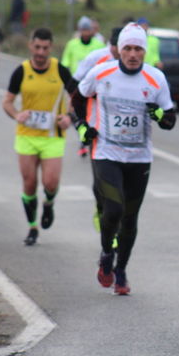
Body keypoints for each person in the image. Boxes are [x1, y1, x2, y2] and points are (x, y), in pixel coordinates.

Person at [73, 23, 176, 295]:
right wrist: (82, 125)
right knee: (113, 209)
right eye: (127, 48)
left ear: (144, 52)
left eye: (138, 49)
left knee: (130, 219)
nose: (132, 54)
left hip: (139, 158)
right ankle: (107, 253)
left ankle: (121, 271)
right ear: (119, 50)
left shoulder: (156, 79)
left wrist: (157, 115)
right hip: (106, 152)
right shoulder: (101, 73)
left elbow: (169, 119)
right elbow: (76, 99)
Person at [2, 28, 74, 245]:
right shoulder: (21, 71)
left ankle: (49, 204)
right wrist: (17, 114)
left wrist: (69, 116)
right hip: (27, 136)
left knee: (50, 182)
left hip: (53, 136)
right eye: (37, 47)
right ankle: (32, 227)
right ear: (30, 46)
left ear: (50, 48)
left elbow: (77, 97)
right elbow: (7, 101)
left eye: (45, 48)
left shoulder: (60, 70)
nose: (41, 52)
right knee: (30, 183)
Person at [70, 26, 122, 233]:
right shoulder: (97, 59)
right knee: (101, 181)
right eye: (119, 48)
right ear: (112, 45)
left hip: (123, 133)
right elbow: (74, 84)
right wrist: (80, 118)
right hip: (97, 127)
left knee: (122, 186)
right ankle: (101, 208)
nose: (126, 53)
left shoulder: (135, 62)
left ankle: (116, 227)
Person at [61, 16, 105, 157]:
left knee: (91, 113)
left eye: (88, 29)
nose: (86, 32)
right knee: (74, 112)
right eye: (83, 29)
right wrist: (68, 84)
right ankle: (82, 132)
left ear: (92, 31)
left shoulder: (98, 45)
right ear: (79, 30)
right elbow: (66, 63)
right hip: (76, 85)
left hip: (93, 86)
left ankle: (86, 140)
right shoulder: (72, 44)